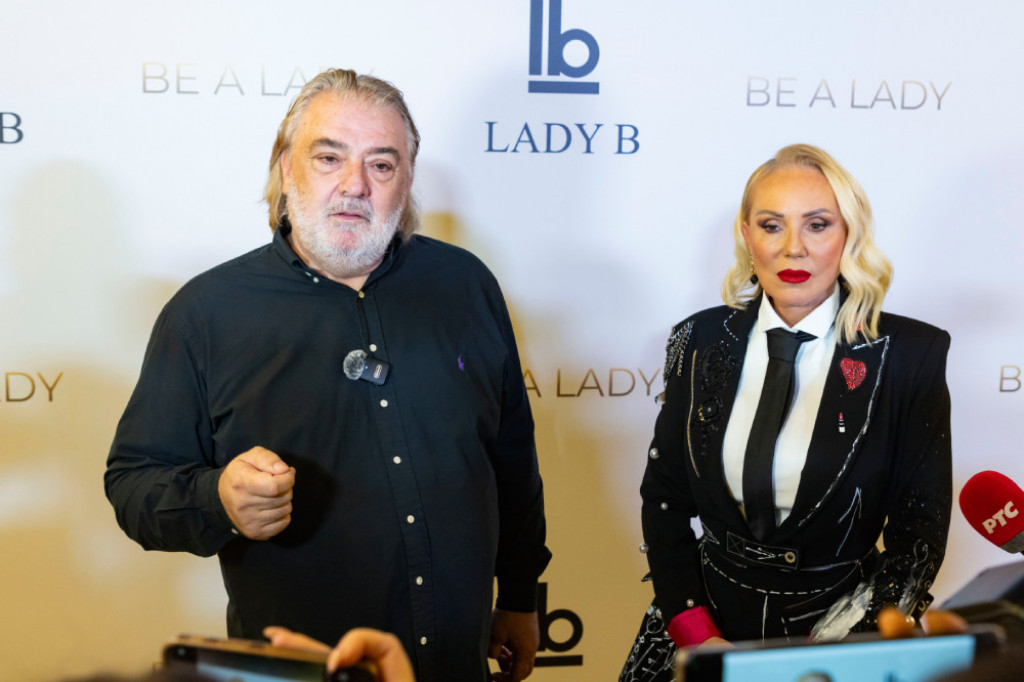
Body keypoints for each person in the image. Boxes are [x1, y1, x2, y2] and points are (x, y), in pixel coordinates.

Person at [105, 68, 550, 682]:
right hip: (302, 670)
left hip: (456, 660)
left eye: (381, 164)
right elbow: (134, 484)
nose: (354, 185)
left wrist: (521, 595)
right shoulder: (206, 314)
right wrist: (218, 501)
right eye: (329, 157)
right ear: (286, 168)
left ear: (407, 182)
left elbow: (511, 458)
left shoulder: (466, 285)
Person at [619, 144, 951, 681]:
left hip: (840, 637)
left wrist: (840, 652)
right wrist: (694, 630)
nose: (793, 248)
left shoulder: (910, 355)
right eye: (771, 225)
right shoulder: (698, 340)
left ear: (849, 235)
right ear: (746, 235)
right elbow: (664, 499)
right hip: (701, 622)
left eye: (817, 225)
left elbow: (918, 536)